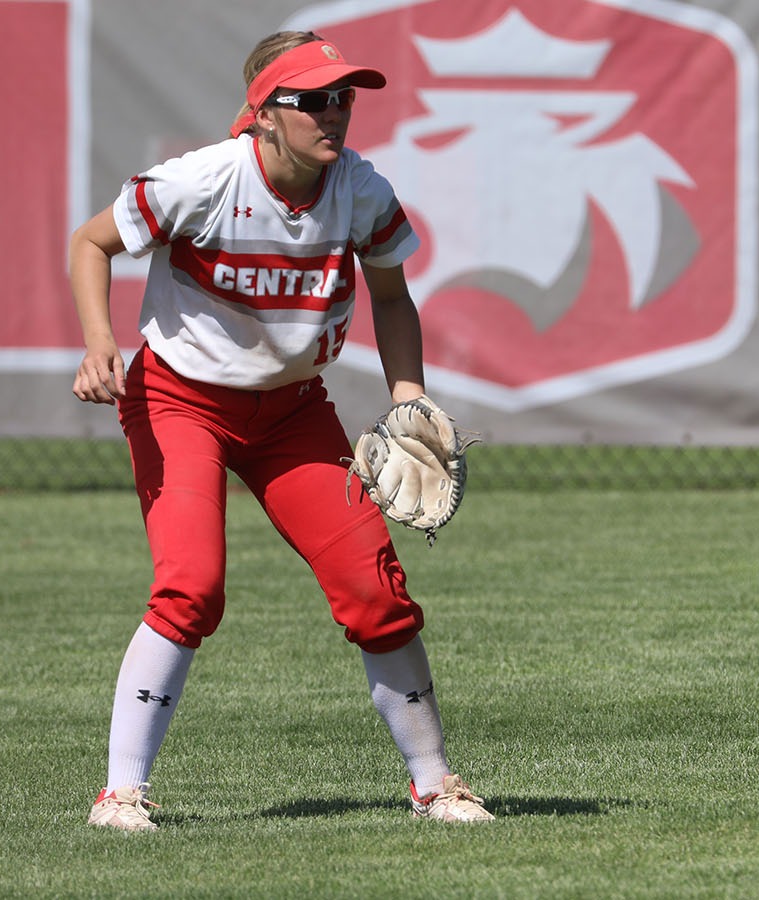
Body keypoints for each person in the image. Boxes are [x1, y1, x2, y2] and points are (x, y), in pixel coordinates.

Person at [68, 30, 493, 831]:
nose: (335, 114)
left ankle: (436, 783)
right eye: (314, 101)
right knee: (190, 587)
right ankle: (120, 792)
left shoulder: (360, 188)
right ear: (265, 115)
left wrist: (409, 398)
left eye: (345, 98)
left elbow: (393, 298)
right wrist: (100, 342)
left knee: (376, 595)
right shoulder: (205, 179)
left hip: (295, 409)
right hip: (180, 400)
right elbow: (90, 242)